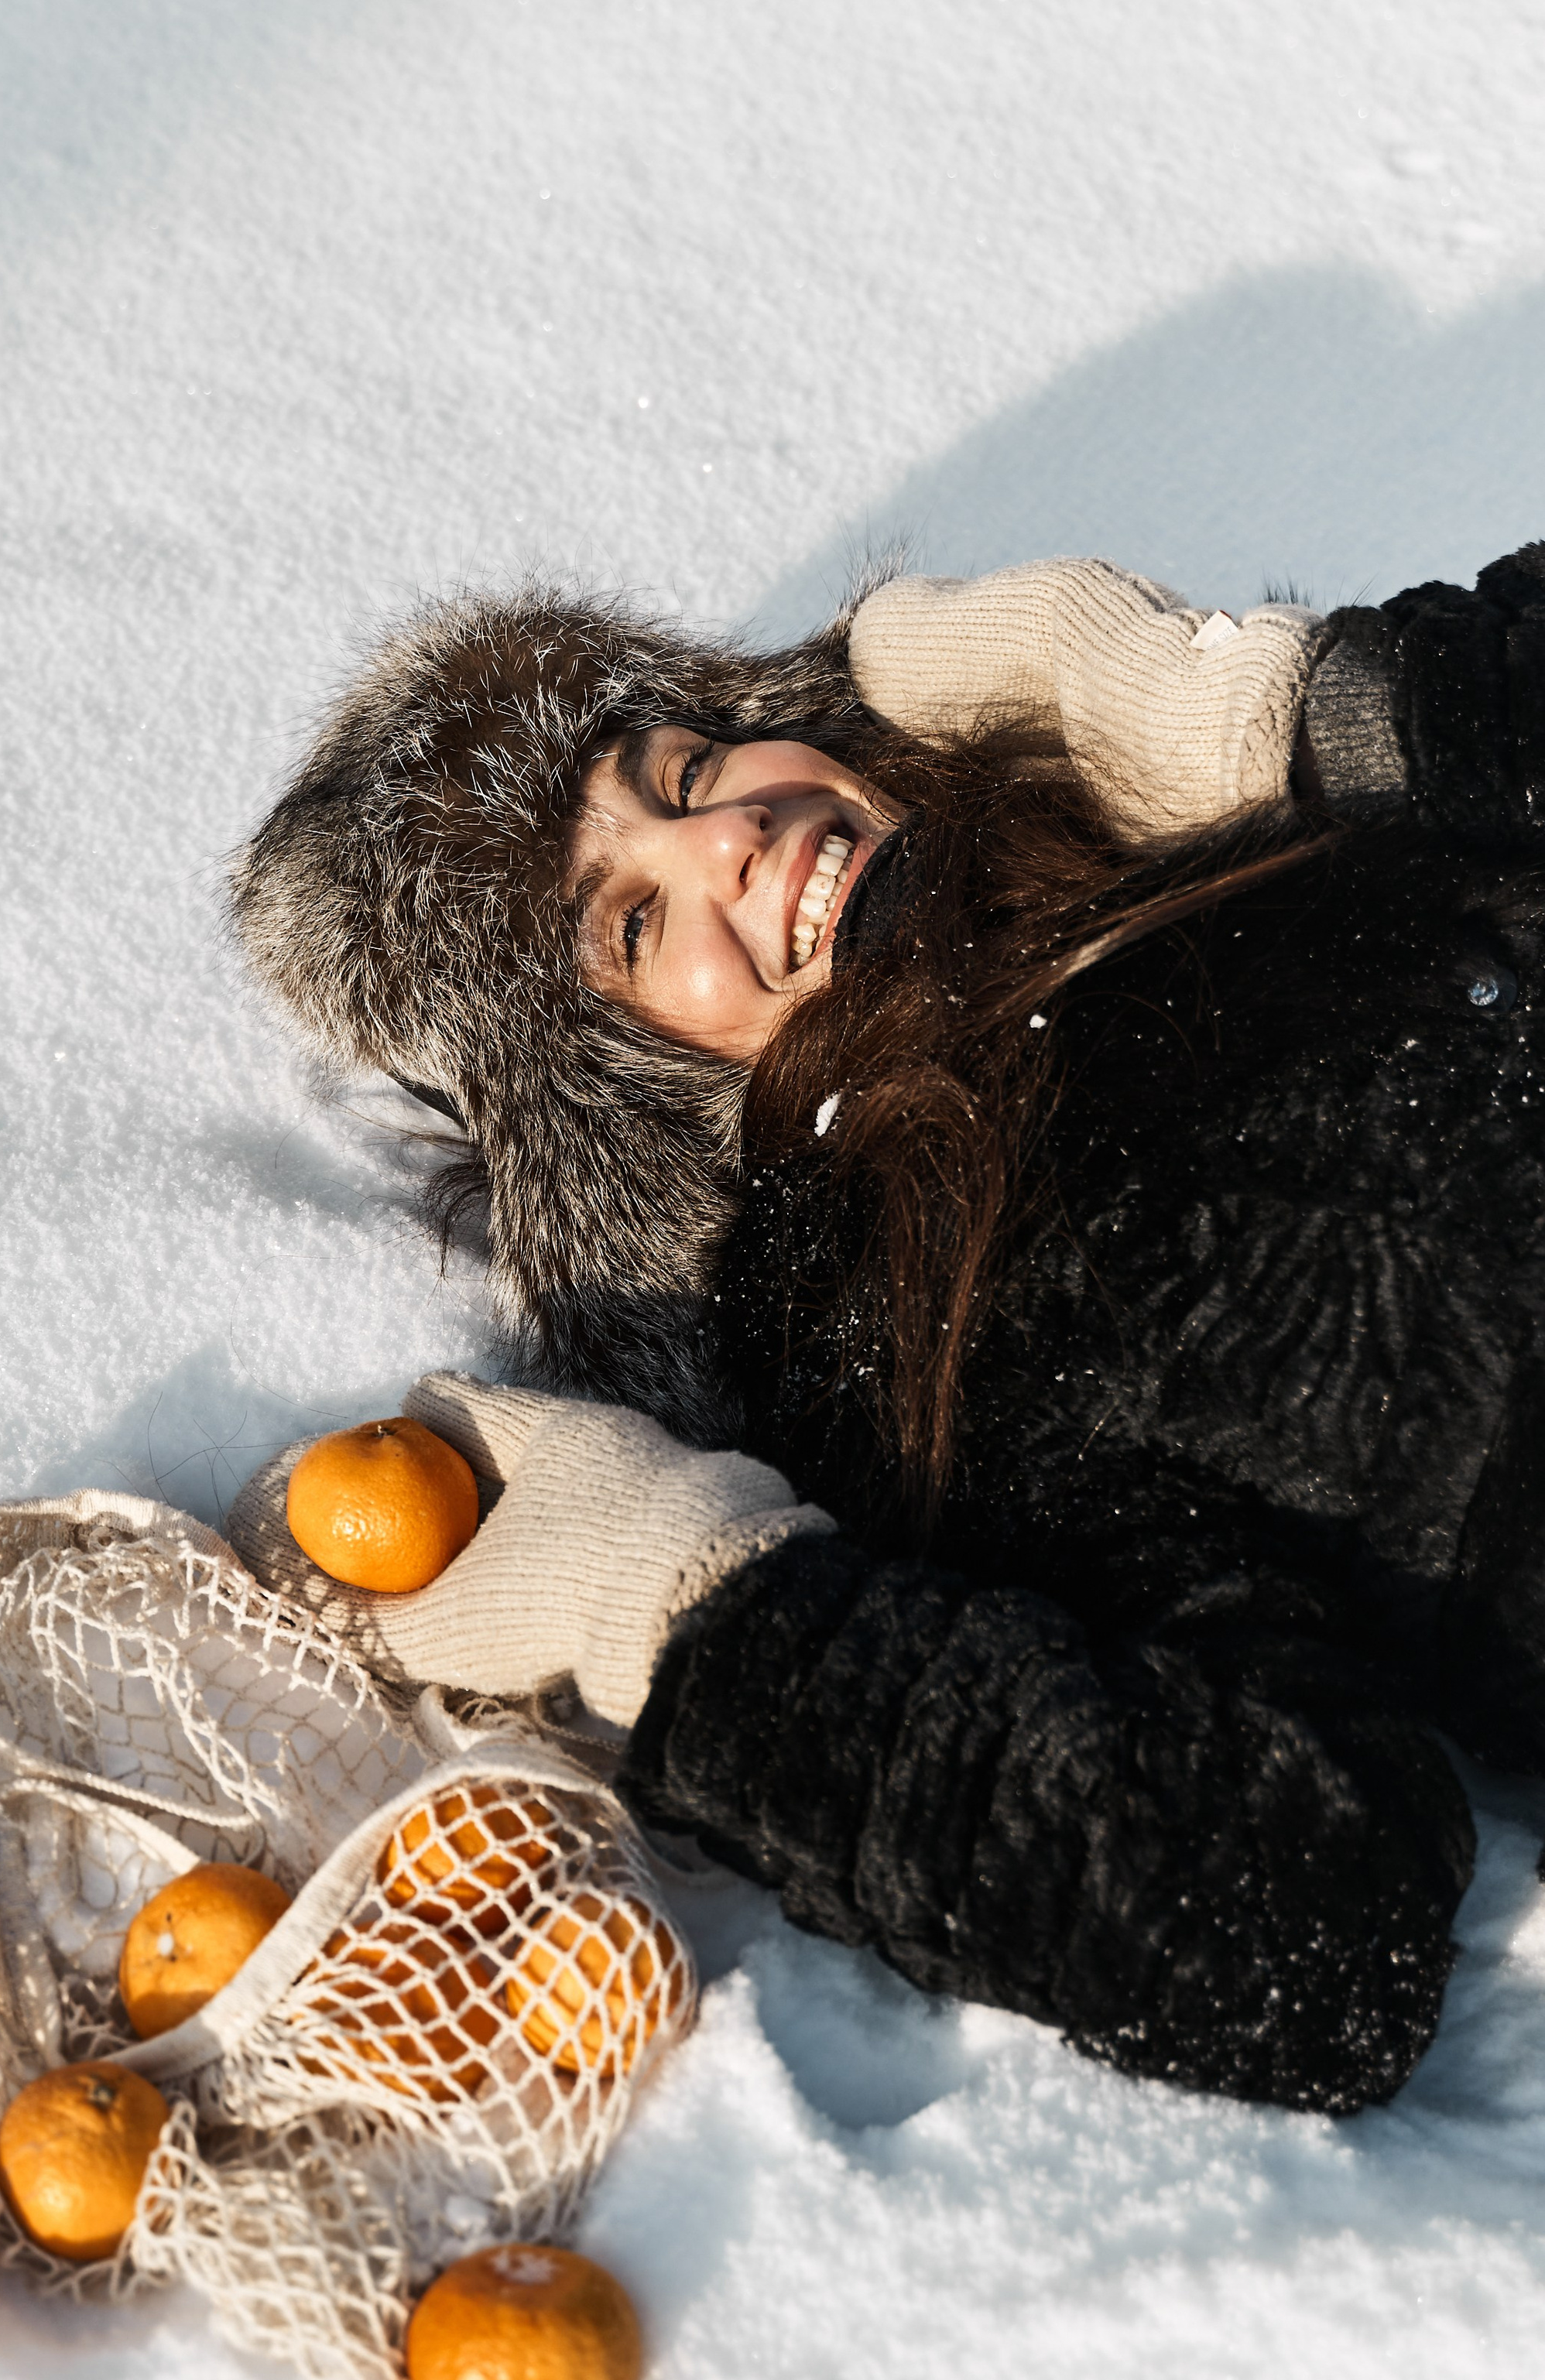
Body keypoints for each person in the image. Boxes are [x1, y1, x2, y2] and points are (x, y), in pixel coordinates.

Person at [226, 546, 1545, 2117]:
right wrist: (690, 1611)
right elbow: (1302, 1919)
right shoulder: (922, 1310)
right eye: (634, 927)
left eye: (688, 764)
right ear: (620, 1104)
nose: (730, 836)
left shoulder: (1162, 824)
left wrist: (1289, 711)